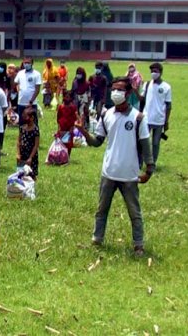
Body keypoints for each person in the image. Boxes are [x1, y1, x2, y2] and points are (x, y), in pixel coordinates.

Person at [74, 77, 154, 257]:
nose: (116, 93)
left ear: (128, 93)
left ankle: (138, 245)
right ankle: (97, 238)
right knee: (101, 209)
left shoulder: (138, 118)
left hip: (129, 174)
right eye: (114, 89)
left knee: (134, 212)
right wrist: (84, 131)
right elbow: (97, 142)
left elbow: (146, 145)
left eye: (120, 89)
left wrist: (149, 169)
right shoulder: (106, 114)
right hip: (109, 171)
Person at [140, 63, 172, 165]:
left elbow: (168, 105)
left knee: (155, 143)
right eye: (152, 71)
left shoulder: (166, 87)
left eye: (156, 71)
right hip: (146, 118)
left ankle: (152, 163)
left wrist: (166, 121)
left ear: (161, 72)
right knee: (143, 141)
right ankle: (140, 162)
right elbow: (142, 99)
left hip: (159, 119)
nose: (153, 73)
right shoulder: (147, 84)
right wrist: (135, 90)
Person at [13, 57, 42, 124]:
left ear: (32, 63)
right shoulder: (20, 73)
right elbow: (15, 83)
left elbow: (37, 89)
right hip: (21, 102)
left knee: (32, 122)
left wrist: (31, 101)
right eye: (25, 63)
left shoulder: (36, 74)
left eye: (28, 63)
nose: (26, 64)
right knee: (22, 122)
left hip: (32, 103)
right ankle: (22, 134)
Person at [16, 106, 40, 180]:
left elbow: (36, 145)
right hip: (22, 154)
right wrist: (18, 153)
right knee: (21, 174)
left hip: (31, 155)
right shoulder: (22, 128)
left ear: (32, 118)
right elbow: (18, 141)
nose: (24, 118)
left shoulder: (35, 130)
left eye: (26, 116)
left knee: (32, 174)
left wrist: (30, 158)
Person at [56, 90, 78, 155]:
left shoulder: (73, 107)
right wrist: (59, 126)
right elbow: (58, 117)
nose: (67, 98)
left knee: (69, 143)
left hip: (69, 128)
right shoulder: (61, 107)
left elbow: (74, 118)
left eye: (68, 97)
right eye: (65, 97)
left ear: (71, 98)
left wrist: (72, 127)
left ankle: (67, 156)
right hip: (62, 127)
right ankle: (62, 156)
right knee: (62, 142)